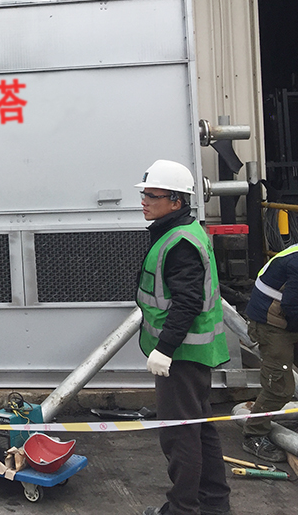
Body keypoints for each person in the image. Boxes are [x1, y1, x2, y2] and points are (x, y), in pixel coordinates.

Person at [135, 160, 231, 515]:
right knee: (200, 431)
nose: (144, 201)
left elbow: (187, 301)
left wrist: (164, 349)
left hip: (182, 356)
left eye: (152, 196)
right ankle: (214, 505)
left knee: (180, 436)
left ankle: (182, 509)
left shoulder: (179, 242)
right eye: (144, 194)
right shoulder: (183, 231)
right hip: (192, 354)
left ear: (176, 201)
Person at [240, 243, 298, 462]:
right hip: (272, 324)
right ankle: (254, 435)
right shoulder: (296, 263)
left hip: (289, 317)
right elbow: (292, 306)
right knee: (279, 387)